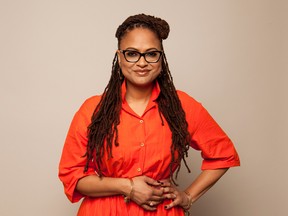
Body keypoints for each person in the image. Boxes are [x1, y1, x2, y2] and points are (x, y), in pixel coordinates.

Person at [58, 13, 240, 216]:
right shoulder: (93, 110)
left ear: (161, 57)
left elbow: (224, 155)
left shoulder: (182, 106)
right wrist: (127, 186)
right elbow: (72, 176)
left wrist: (188, 196)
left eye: (151, 54)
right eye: (132, 53)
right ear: (119, 57)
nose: (142, 62)